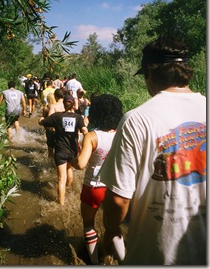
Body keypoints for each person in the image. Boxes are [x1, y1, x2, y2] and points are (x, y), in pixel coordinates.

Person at [99, 36, 206, 265]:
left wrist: (110, 230)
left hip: (156, 255)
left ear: (149, 72)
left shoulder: (137, 119)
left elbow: (119, 200)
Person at [71, 94, 124, 265]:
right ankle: (125, 260)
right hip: (115, 187)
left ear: (96, 113)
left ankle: (93, 262)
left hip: (93, 187)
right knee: (114, 227)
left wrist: (70, 158)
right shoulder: (122, 135)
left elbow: (80, 164)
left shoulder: (92, 136)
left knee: (88, 224)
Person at [38, 94, 88, 205]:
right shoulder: (78, 117)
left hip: (60, 150)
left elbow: (43, 122)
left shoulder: (56, 116)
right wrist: (86, 145)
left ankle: (61, 203)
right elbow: (85, 131)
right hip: (73, 150)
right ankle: (69, 190)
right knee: (69, 169)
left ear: (63, 103)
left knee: (61, 178)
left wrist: (40, 119)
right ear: (73, 105)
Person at [42, 92, 57, 160]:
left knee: (50, 149)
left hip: (49, 130)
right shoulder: (58, 107)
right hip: (58, 130)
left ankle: (50, 164)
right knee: (58, 148)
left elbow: (44, 119)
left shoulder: (46, 108)